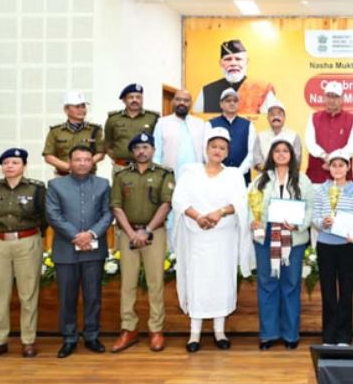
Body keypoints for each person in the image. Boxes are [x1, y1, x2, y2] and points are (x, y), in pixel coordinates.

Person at [172, 127, 254, 353]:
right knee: (197, 282)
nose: (217, 151)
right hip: (197, 236)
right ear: (206, 148)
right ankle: (194, 334)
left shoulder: (234, 175)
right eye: (214, 146)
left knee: (221, 282)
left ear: (227, 152)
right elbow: (179, 201)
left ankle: (220, 332)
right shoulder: (190, 172)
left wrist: (219, 212)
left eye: (222, 148)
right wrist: (199, 217)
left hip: (223, 238)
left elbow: (240, 203)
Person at [45, 146, 113, 358]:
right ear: (69, 162)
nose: (82, 163)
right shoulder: (55, 185)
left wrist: (91, 234)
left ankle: (92, 336)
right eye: (78, 159)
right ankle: (69, 338)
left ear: (93, 162)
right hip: (66, 250)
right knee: (67, 297)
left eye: (86, 159)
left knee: (93, 296)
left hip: (94, 250)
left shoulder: (103, 184)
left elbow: (108, 213)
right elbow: (53, 215)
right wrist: (76, 236)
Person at [109, 133, 174, 353]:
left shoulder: (164, 174)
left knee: (155, 283)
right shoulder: (121, 175)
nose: (141, 151)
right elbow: (116, 206)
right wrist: (131, 233)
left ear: (153, 150)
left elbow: (166, 204)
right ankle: (129, 329)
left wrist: (146, 231)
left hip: (154, 233)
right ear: (132, 152)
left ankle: (156, 330)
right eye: (137, 148)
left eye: (145, 147)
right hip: (127, 234)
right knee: (128, 283)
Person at [251, 139, 314, 350]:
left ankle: (290, 334)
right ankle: (268, 334)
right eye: (276, 150)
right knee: (267, 284)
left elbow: (310, 208)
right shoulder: (260, 179)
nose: (281, 154)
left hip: (293, 237)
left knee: (291, 284)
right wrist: (254, 222)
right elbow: (251, 205)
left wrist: (299, 225)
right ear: (271, 155)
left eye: (285, 150)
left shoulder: (302, 180)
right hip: (266, 236)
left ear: (291, 155)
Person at [0, 149, 46, 360]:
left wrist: (35, 238)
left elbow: (44, 217)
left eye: (15, 162)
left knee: (28, 294)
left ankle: (28, 340)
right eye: (6, 163)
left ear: (24, 166)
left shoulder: (36, 188)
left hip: (27, 242)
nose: (10, 166)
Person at [311, 150, 353, 346]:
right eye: (334, 165)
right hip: (325, 245)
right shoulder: (320, 190)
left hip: (346, 246)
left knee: (346, 291)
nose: (337, 169)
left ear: (348, 167)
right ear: (328, 167)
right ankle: (329, 335)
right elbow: (314, 217)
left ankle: (344, 335)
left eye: (341, 165)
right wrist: (322, 222)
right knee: (328, 292)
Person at [194, 39, 277, 115]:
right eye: (228, 59)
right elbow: (197, 121)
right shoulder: (207, 91)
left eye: (238, 59)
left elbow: (269, 120)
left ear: (246, 62)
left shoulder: (261, 89)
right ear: (221, 63)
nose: (233, 63)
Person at [305, 81, 353, 184]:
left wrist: (334, 159)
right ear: (324, 98)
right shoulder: (314, 117)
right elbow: (310, 143)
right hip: (317, 175)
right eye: (329, 96)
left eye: (336, 97)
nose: (332, 100)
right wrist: (325, 156)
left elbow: (352, 146)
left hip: (343, 176)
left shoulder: (352, 119)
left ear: (342, 99)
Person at [43, 91, 105, 176]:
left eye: (83, 106)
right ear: (66, 109)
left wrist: (85, 164)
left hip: (88, 176)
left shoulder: (95, 130)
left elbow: (101, 153)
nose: (81, 110)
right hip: (63, 176)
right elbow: (48, 156)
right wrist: (67, 166)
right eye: (77, 107)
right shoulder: (56, 131)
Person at [205, 88, 257, 185]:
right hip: (216, 177)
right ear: (221, 104)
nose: (232, 103)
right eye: (228, 101)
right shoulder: (210, 124)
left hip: (242, 178)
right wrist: (219, 171)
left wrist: (239, 173)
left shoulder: (248, 125)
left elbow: (252, 153)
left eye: (235, 101)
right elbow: (206, 151)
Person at [104, 83, 160, 170]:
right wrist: (118, 159)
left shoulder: (153, 118)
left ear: (142, 99)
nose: (135, 100)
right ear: (124, 100)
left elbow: (158, 143)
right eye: (131, 97)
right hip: (120, 167)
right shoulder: (113, 119)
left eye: (138, 97)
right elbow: (108, 144)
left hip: (145, 168)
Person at [153, 89, 206, 178]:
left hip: (195, 177)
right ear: (173, 101)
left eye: (186, 100)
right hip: (169, 177)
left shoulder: (200, 124)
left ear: (191, 103)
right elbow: (156, 153)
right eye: (178, 99)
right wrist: (157, 175)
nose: (182, 103)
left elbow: (206, 152)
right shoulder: (162, 123)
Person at [254, 95, 302, 166]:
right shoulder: (260, 136)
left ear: (284, 118)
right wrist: (269, 170)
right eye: (272, 114)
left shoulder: (294, 136)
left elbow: (296, 161)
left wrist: (282, 170)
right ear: (267, 118)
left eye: (279, 114)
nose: (276, 117)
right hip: (265, 172)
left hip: (288, 172)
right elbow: (256, 160)